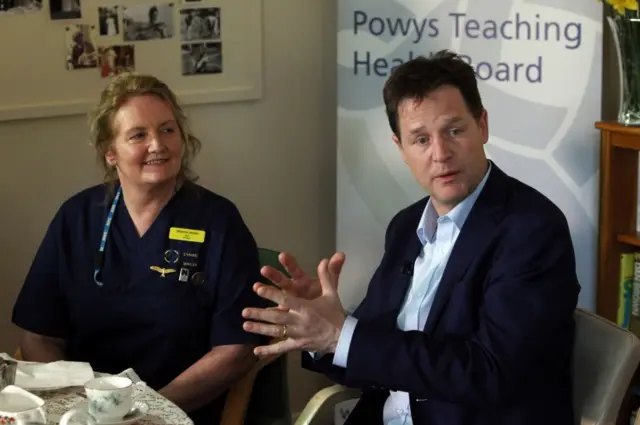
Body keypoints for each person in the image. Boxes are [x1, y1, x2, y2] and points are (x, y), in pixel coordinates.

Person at [242, 50, 580, 425]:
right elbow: (375, 350)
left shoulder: (532, 229)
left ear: (482, 126)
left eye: (454, 131)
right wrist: (323, 329)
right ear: (400, 149)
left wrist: (341, 336)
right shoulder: (406, 226)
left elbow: (491, 373)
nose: (441, 154)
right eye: (420, 139)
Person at [12, 73, 267, 425]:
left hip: (178, 410)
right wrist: (78, 410)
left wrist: (149, 413)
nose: (157, 145)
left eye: (167, 130)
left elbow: (236, 349)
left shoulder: (219, 222)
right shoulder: (77, 218)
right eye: (138, 135)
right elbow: (39, 333)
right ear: (110, 152)